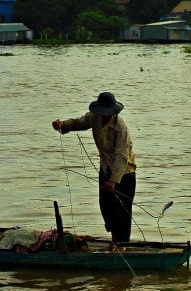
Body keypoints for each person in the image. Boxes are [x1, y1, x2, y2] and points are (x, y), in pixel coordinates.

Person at [52, 91, 137, 243]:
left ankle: (121, 246)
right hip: (105, 168)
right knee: (106, 207)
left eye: (107, 113)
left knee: (122, 212)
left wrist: (113, 181)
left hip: (124, 173)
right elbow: (78, 123)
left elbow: (122, 157)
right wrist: (63, 125)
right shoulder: (94, 117)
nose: (104, 115)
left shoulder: (120, 127)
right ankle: (114, 242)